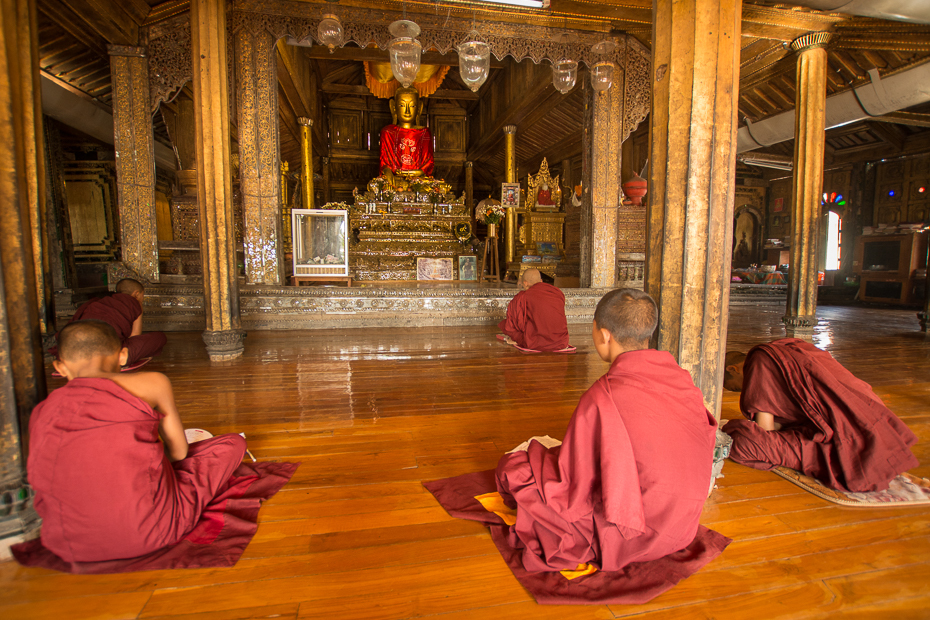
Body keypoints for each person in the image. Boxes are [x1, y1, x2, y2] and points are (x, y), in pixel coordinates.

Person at [494, 288, 717, 572]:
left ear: (604, 335)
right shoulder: (683, 381)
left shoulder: (603, 396)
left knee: (516, 469)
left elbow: (574, 483)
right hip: (681, 525)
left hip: (630, 534)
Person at [28, 320, 247, 563]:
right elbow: (179, 452)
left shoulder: (43, 410)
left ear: (61, 366)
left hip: (66, 542)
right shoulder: (152, 383)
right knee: (232, 444)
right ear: (123, 356)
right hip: (153, 532)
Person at [722, 339, 919, 492]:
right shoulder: (786, 349)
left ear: (733, 369)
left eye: (735, 387)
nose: (742, 390)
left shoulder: (760, 360)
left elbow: (764, 430)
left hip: (842, 437)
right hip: (872, 422)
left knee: (740, 440)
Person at [65, 278, 166, 366]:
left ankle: (82, 359)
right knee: (160, 337)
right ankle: (119, 358)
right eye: (142, 296)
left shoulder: (99, 302)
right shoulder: (134, 303)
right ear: (136, 294)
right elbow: (135, 336)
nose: (142, 300)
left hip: (79, 347)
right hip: (109, 349)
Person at [498, 269, 569, 352]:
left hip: (537, 343)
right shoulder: (557, 292)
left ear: (525, 283)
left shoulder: (523, 296)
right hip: (561, 341)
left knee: (506, 326)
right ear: (541, 281)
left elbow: (518, 324)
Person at [379, 87, 434, 187]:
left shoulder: (424, 133)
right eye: (402, 105)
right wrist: (388, 172)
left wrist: (412, 173)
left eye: (412, 106)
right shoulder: (387, 132)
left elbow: (428, 164)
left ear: (419, 108)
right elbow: (384, 163)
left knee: (436, 186)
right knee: (376, 185)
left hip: (418, 180)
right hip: (396, 180)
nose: (407, 111)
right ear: (394, 107)